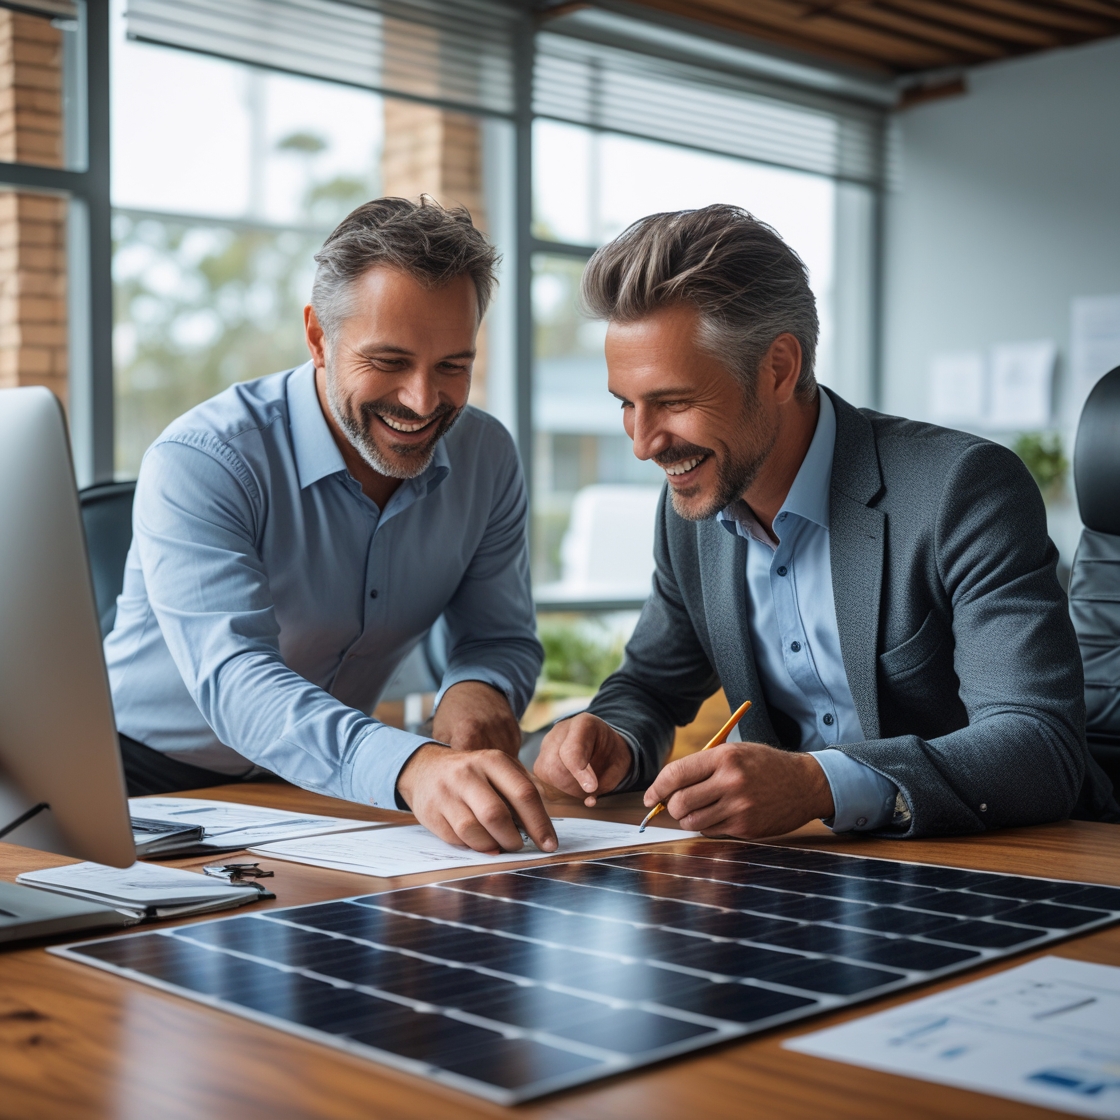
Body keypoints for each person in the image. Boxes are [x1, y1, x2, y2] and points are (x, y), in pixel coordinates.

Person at [534, 203, 1117, 838]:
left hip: (999, 863)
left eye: (673, 402)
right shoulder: (690, 512)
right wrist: (612, 738)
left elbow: (1039, 746)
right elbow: (649, 686)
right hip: (798, 871)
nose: (643, 444)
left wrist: (819, 784)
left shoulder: (964, 489)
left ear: (779, 369)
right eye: (627, 404)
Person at [107, 197, 557, 855]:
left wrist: (478, 689)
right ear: (319, 337)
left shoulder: (487, 458)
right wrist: (409, 767)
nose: (423, 400)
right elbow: (236, 681)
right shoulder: (204, 459)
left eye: (453, 366)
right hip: (138, 782)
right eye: (390, 361)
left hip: (323, 785)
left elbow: (498, 635)